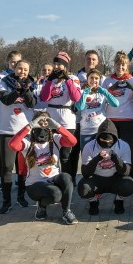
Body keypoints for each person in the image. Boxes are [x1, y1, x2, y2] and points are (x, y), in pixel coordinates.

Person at [9, 111, 78, 224]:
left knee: (66, 177)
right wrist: (29, 126)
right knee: (56, 195)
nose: (42, 126)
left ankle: (67, 211)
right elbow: (12, 145)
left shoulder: (55, 139)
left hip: (53, 180)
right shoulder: (28, 142)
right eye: (40, 122)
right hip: (35, 185)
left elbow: (73, 141)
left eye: (45, 122)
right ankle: (41, 206)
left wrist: (57, 126)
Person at [0, 59, 36, 213]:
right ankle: (6, 201)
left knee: (23, 168)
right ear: (15, 68)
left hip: (25, 131)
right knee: (6, 167)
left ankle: (21, 196)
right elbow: (6, 100)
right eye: (20, 68)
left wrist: (26, 90)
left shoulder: (32, 83)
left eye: (26, 69)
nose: (22, 72)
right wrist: (17, 91)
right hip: (8, 130)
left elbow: (32, 103)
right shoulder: (5, 81)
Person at [38, 51, 82, 184]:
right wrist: (50, 81)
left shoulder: (73, 78)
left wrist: (67, 80)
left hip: (67, 121)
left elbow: (76, 98)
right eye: (55, 64)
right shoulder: (49, 79)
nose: (56, 67)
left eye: (59, 64)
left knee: (65, 155)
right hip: (51, 118)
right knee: (51, 153)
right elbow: (44, 98)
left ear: (65, 66)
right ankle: (53, 179)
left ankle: (67, 180)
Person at [78, 118, 133, 215]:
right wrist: (97, 159)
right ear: (98, 138)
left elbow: (126, 172)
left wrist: (115, 158)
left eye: (109, 141)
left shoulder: (123, 146)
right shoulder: (89, 146)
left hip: (115, 178)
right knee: (83, 188)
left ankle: (119, 200)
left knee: (129, 185)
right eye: (102, 140)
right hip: (96, 178)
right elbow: (85, 173)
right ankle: (93, 201)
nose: (106, 143)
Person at [102, 51, 133, 176]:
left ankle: (129, 176)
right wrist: (111, 89)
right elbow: (100, 99)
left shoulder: (132, 80)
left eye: (123, 65)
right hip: (110, 121)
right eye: (118, 64)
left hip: (126, 120)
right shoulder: (108, 81)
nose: (120, 68)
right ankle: (111, 174)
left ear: (127, 66)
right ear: (114, 65)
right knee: (110, 149)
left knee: (127, 150)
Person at [68, 50, 101, 189]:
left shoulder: (101, 78)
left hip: (95, 120)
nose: (91, 61)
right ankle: (72, 178)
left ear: (97, 61)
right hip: (77, 119)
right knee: (74, 151)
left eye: (93, 59)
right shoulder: (77, 77)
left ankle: (97, 176)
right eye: (88, 59)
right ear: (84, 60)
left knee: (96, 150)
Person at [75, 68, 119, 149]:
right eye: (91, 78)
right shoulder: (82, 92)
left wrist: (105, 92)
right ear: (87, 79)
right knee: (86, 157)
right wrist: (85, 93)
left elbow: (116, 104)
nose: (94, 80)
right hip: (86, 131)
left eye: (96, 78)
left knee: (101, 158)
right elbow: (80, 107)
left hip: (101, 130)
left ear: (99, 80)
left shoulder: (103, 93)